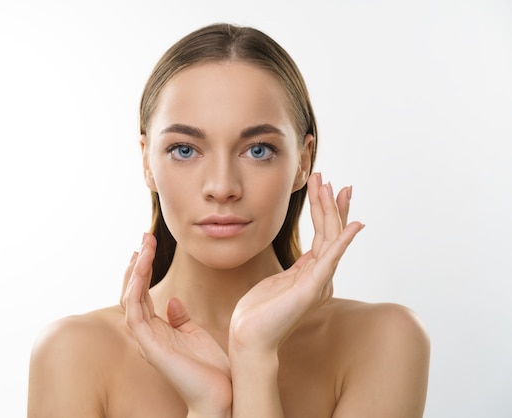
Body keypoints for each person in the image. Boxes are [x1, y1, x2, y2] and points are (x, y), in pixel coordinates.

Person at [27, 23, 430, 418]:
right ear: (147, 162)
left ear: (303, 162)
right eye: (185, 150)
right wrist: (208, 405)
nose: (222, 187)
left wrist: (254, 356)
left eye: (257, 150)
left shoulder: (383, 340)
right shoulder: (73, 352)